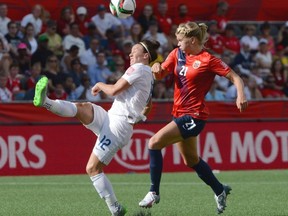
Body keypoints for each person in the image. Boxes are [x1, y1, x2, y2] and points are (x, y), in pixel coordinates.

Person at [33, 39, 160, 216]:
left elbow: (114, 90)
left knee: (92, 168)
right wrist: (140, 116)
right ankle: (45, 101)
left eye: (134, 51)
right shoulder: (149, 75)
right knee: (83, 108)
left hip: (118, 125)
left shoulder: (138, 68)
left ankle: (115, 208)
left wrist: (100, 85)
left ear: (145, 56)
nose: (130, 54)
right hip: (112, 117)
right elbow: (148, 104)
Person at [138, 21, 248, 214]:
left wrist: (241, 95)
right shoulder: (176, 54)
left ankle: (154, 191)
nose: (177, 44)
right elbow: (161, 73)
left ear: (193, 40)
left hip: (195, 116)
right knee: (191, 160)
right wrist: (156, 68)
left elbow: (235, 78)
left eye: (180, 40)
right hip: (178, 114)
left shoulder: (208, 60)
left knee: (154, 142)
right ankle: (220, 190)